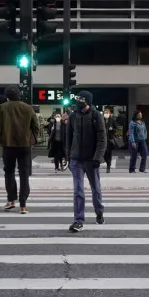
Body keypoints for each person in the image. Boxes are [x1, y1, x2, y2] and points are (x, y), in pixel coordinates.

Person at [67, 90, 107, 232]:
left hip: (91, 159)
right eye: (78, 99)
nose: (79, 103)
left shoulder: (96, 116)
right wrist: (68, 156)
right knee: (78, 190)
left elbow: (102, 139)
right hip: (76, 159)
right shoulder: (73, 116)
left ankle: (99, 211)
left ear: (88, 102)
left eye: (82, 100)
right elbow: (69, 138)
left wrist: (97, 157)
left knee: (95, 188)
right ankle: (78, 220)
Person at [0, 85, 40, 214]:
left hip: (8, 145)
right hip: (25, 145)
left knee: (9, 172)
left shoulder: (3, 108)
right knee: (24, 174)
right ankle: (23, 205)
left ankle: (11, 200)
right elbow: (36, 126)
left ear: (7, 96)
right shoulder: (28, 108)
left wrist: (1, 138)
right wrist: (32, 139)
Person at [103, 108, 116, 173]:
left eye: (107, 113)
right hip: (103, 138)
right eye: (105, 113)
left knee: (109, 153)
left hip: (110, 139)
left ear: (110, 114)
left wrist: (112, 129)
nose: (106, 114)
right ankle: (108, 162)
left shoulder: (112, 120)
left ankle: (108, 166)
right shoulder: (102, 120)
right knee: (104, 153)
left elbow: (116, 128)